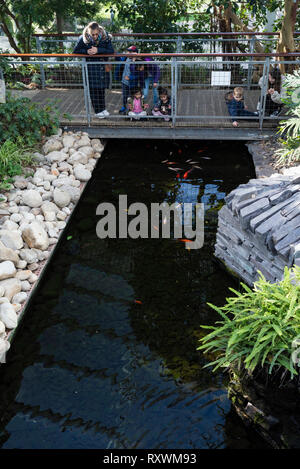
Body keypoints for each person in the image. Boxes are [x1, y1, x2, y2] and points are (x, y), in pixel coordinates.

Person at [73, 21, 114, 119]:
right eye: (93, 34)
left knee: (101, 89)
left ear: (99, 31)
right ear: (88, 32)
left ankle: (103, 109)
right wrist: (86, 52)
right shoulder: (82, 38)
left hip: (102, 68)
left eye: (96, 34)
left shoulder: (106, 37)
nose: (95, 36)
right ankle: (97, 111)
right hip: (91, 68)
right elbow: (75, 51)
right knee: (93, 90)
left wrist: (98, 50)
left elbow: (111, 51)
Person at [119, 45, 144, 115]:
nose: (128, 53)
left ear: (135, 53)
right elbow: (119, 60)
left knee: (131, 96)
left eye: (130, 52)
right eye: (128, 51)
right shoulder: (125, 58)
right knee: (124, 96)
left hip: (133, 83)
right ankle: (124, 106)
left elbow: (138, 74)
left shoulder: (137, 61)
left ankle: (132, 109)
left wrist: (130, 78)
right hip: (124, 82)